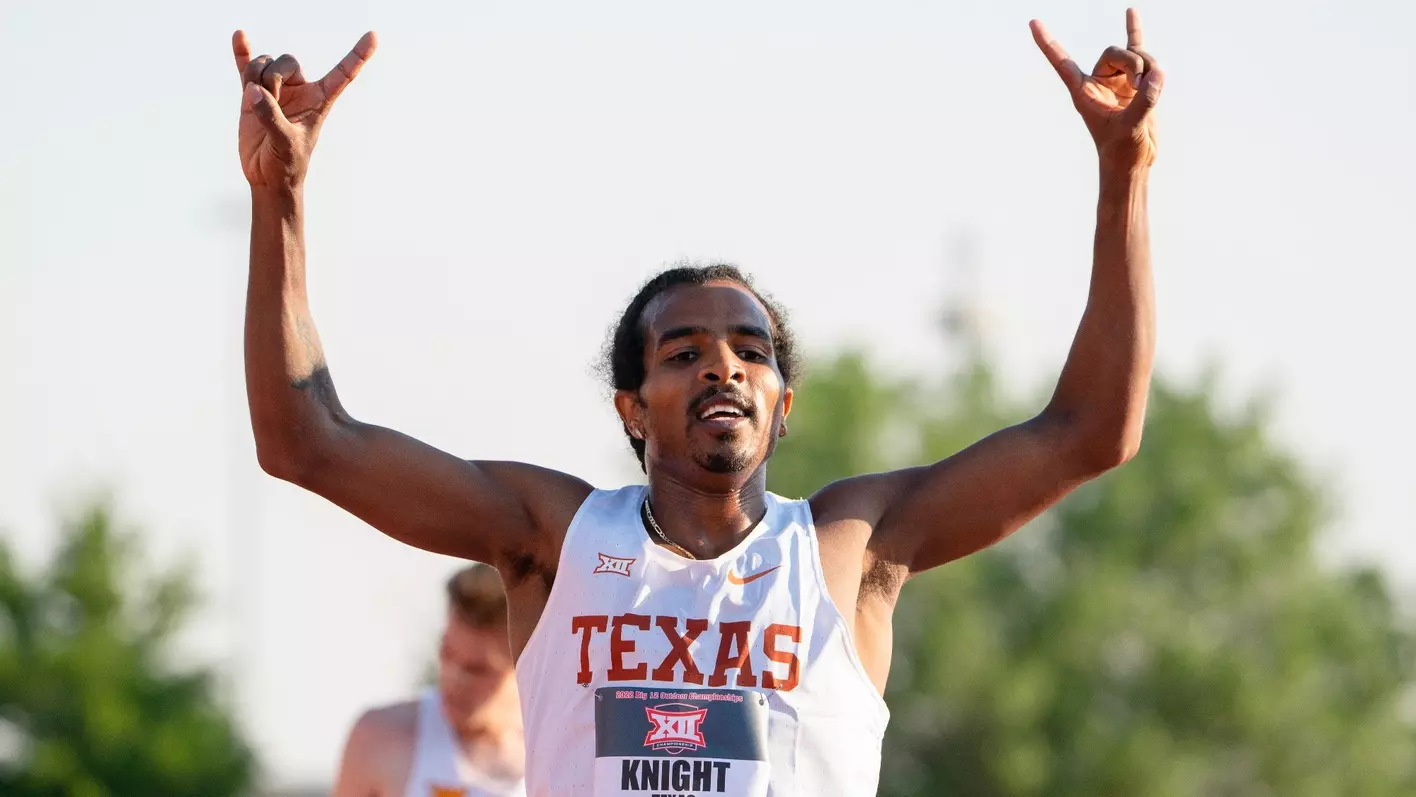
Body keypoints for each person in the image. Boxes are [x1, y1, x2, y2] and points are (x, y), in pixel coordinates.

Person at [233, 9, 1163, 795]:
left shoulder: (850, 546)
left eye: (751, 351)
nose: (725, 367)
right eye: (686, 351)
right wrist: (279, 200)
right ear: (631, 408)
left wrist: (1126, 176)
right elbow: (307, 441)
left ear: (784, 403)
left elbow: (1091, 430)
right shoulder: (556, 538)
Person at [331, 563, 525, 797]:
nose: (453, 678)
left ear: (527, 668)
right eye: (447, 653)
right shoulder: (380, 737)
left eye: (477, 670)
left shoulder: (561, 755)